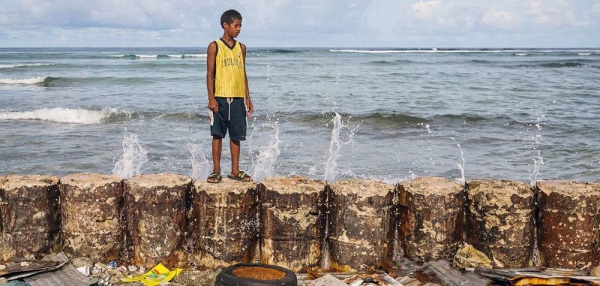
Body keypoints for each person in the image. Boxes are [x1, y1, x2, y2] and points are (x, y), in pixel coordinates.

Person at [206, 9, 254, 183]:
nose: (239, 29)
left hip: (238, 98)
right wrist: (211, 98)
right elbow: (210, 74)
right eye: (236, 25)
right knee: (217, 134)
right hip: (219, 98)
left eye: (241, 25)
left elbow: (243, 74)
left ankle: (235, 171)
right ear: (225, 25)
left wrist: (248, 97)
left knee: (236, 136)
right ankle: (216, 171)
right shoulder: (214, 46)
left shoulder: (242, 48)